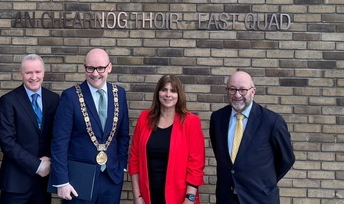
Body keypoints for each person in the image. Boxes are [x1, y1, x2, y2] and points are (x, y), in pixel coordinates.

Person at [50, 48, 130, 203]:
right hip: (78, 179)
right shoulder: (70, 96)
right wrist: (62, 180)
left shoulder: (119, 94)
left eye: (100, 68)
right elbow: (60, 141)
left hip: (111, 177)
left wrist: (121, 165)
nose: (95, 74)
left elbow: (123, 135)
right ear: (84, 67)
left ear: (109, 67)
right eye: (90, 68)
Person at [209, 71, 295, 204]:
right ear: (227, 90)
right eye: (232, 89)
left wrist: (265, 183)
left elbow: (286, 159)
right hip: (226, 198)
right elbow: (221, 155)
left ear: (253, 91)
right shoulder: (217, 118)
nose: (237, 95)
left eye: (243, 90)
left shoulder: (272, 121)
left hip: (259, 198)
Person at [129, 75, 205, 204]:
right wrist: (137, 197)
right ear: (158, 92)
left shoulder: (191, 122)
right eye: (164, 89)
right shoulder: (144, 118)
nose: (168, 94)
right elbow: (134, 160)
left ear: (179, 95)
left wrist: (189, 199)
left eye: (173, 91)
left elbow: (196, 165)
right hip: (148, 196)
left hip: (180, 197)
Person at [0, 54, 61, 204]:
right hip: (16, 182)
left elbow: (58, 135)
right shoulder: (8, 100)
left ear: (43, 73)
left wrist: (49, 160)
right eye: (28, 73)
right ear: (21, 74)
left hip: (43, 182)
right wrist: (37, 165)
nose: (34, 77)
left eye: (37, 72)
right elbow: (7, 141)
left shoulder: (54, 99)